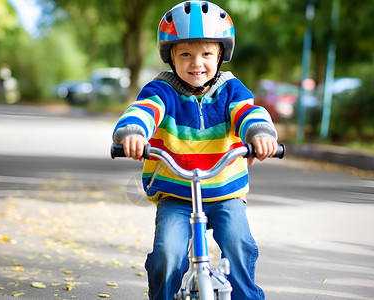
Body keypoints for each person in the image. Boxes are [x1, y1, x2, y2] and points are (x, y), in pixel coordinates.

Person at [112, 1, 278, 299]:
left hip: (225, 191)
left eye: (206, 54)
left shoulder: (231, 89)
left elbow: (248, 113)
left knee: (240, 245)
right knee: (167, 253)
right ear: (171, 57)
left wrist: (260, 134)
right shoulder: (161, 90)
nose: (196, 62)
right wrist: (134, 132)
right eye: (185, 54)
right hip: (176, 193)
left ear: (220, 55)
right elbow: (144, 111)